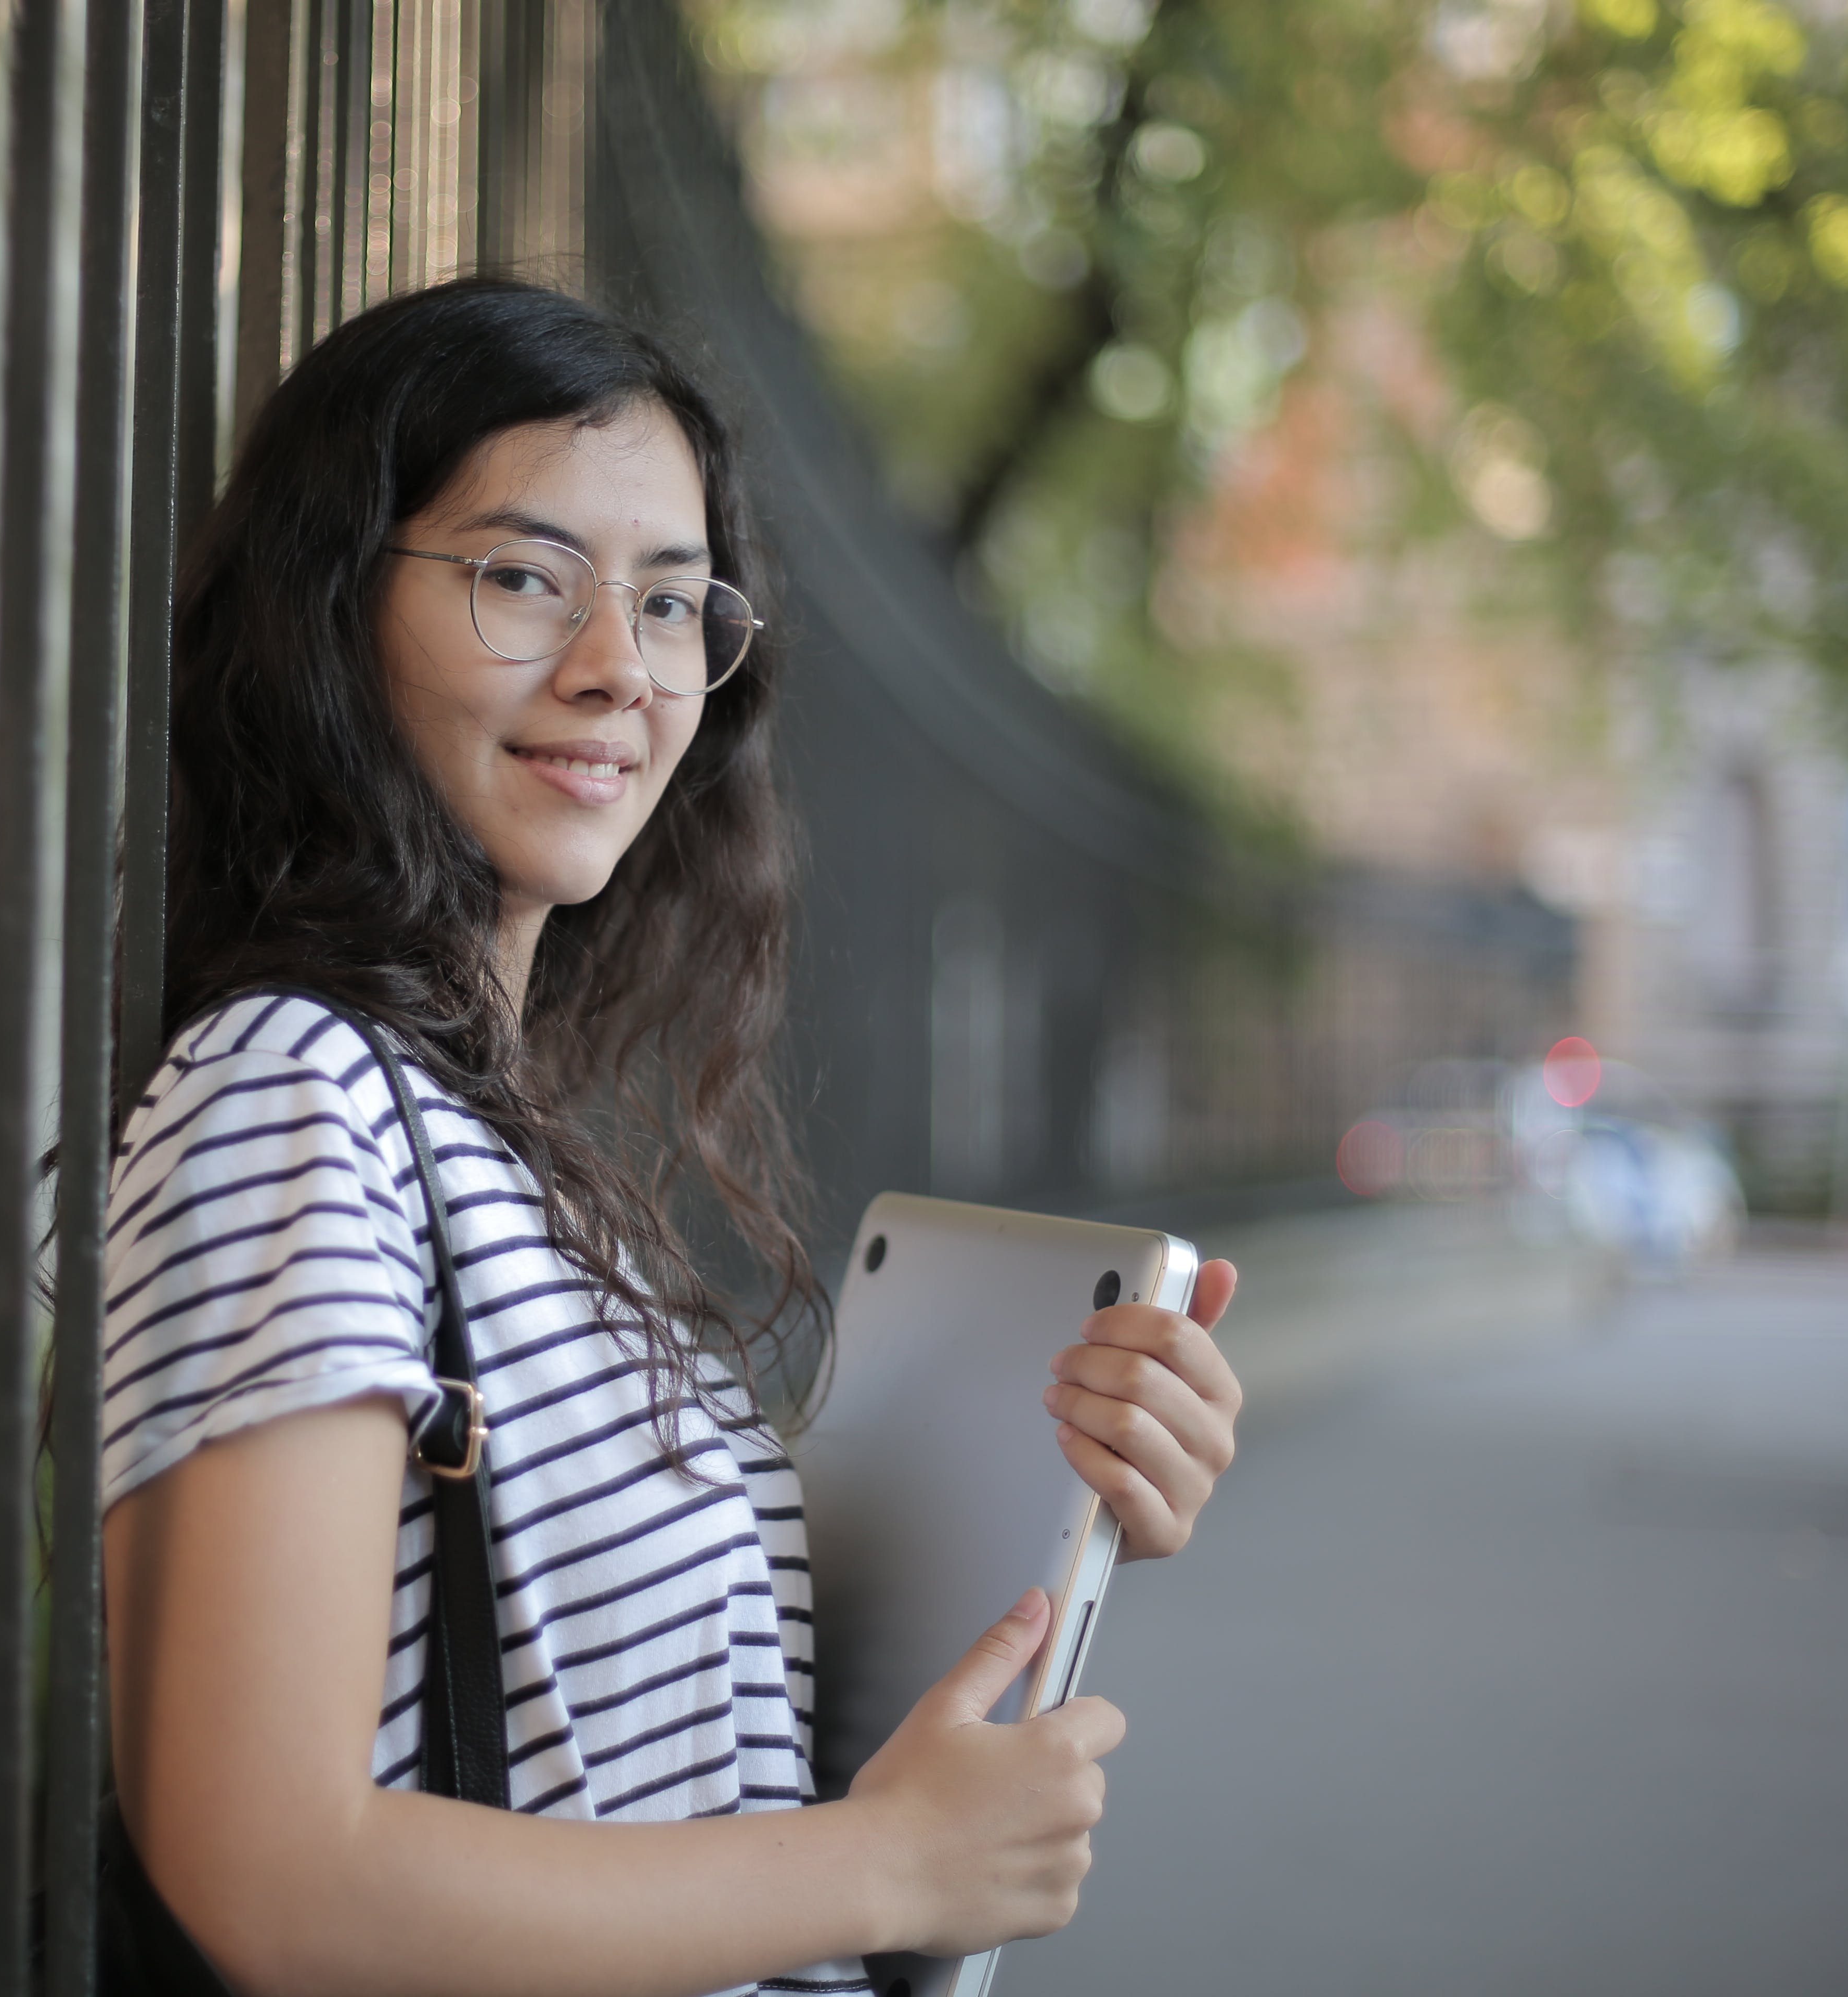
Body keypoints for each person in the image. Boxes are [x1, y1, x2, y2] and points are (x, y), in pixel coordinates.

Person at [97, 277, 1244, 1997]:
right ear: (329, 604)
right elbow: (271, 1873)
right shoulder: (297, 1089)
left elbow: (657, 1763)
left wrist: (1058, 1519)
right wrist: (884, 1864)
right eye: (521, 576)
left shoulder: (507, 1140)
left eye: (669, 601)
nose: (614, 670)